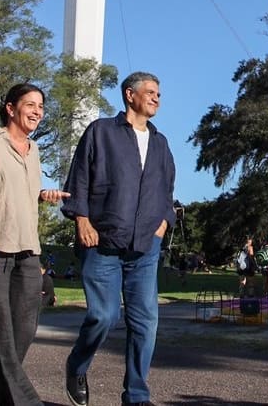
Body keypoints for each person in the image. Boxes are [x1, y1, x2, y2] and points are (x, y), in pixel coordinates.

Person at [62, 71, 176, 406]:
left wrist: (163, 224)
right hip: (102, 242)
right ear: (130, 94)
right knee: (104, 316)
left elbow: (167, 190)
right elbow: (79, 178)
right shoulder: (101, 132)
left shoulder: (160, 143)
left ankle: (136, 396)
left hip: (145, 247)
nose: (156, 98)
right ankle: (76, 366)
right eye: (150, 92)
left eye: (158, 94)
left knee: (145, 322)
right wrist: (82, 219)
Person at [0, 83, 68, 405]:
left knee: (21, 333)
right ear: (10, 108)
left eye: (41, 106)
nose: (37, 111)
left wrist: (42, 195)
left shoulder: (33, 151)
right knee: (0, 342)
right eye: (30, 104)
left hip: (27, 251)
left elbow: (15, 193)